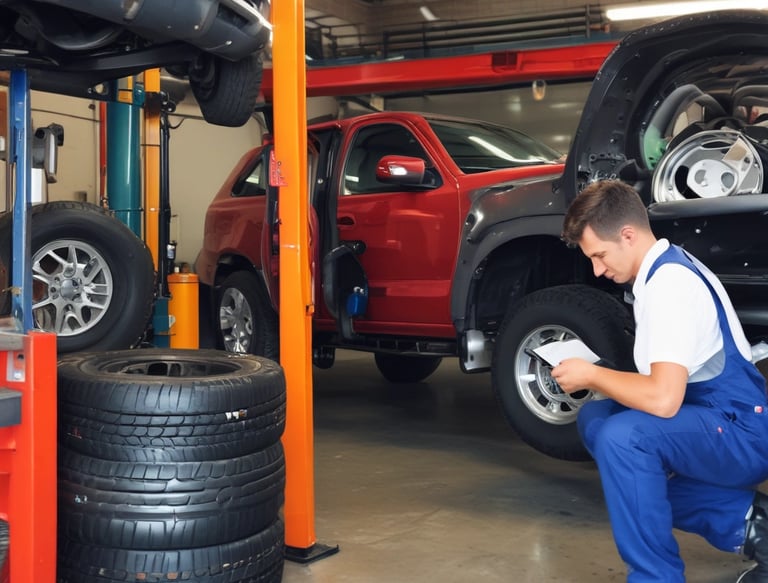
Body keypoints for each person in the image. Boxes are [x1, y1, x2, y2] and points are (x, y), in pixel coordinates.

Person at [552, 179, 768, 583]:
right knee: (598, 422)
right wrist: (596, 376)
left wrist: (593, 373)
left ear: (628, 235)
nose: (597, 270)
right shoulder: (656, 275)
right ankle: (754, 525)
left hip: (741, 431)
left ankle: (655, 578)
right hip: (712, 417)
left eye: (599, 255)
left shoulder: (671, 286)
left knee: (623, 438)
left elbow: (665, 400)